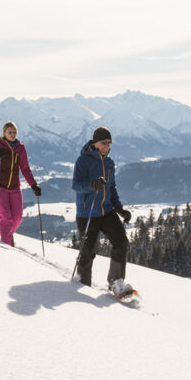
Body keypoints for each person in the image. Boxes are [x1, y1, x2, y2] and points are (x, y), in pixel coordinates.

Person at [71, 126, 134, 298]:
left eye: (109, 143)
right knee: (88, 251)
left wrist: (119, 208)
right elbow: (76, 185)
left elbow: (111, 187)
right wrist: (91, 185)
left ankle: (116, 282)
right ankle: (83, 285)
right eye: (104, 143)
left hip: (106, 211)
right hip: (87, 213)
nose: (107, 146)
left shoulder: (109, 163)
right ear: (95, 142)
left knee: (121, 242)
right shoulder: (83, 161)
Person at [0, 121, 41, 247]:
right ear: (4, 133)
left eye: (14, 132)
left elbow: (25, 168)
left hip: (14, 187)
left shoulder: (20, 148)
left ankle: (7, 235)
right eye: (10, 132)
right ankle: (6, 247)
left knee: (18, 217)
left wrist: (33, 185)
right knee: (6, 218)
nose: (12, 134)